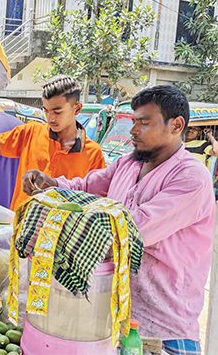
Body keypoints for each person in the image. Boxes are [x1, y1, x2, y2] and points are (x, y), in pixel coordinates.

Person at [23, 85, 214, 355]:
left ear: (176, 125)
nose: (133, 131)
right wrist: (50, 184)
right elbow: (87, 186)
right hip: (114, 319)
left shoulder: (191, 177)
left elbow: (132, 230)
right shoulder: (128, 163)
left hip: (164, 333)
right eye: (133, 122)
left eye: (143, 123)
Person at [0, 75, 105, 211]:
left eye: (57, 112)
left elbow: (96, 204)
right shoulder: (31, 132)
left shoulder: (93, 153)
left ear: (77, 109)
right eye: (46, 111)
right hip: (21, 225)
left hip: (62, 230)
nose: (50, 118)